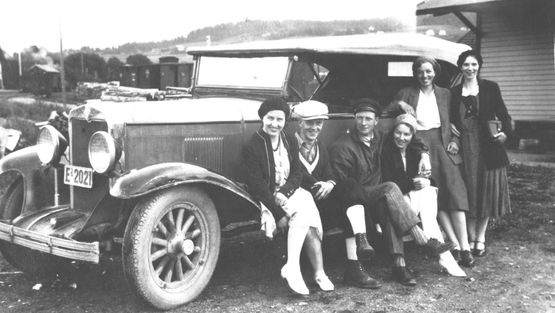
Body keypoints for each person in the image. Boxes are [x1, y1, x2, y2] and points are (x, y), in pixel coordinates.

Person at [329, 98, 454, 286]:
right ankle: (421, 237)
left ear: (376, 121)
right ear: (354, 118)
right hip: (357, 198)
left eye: (368, 119)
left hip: (379, 196)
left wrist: (424, 154)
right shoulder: (343, 146)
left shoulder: (380, 137)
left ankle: (399, 267)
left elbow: (411, 135)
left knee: (389, 206)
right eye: (360, 118)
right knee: (390, 187)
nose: (364, 123)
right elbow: (344, 186)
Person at [386, 56, 475, 267]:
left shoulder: (445, 93)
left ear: (435, 72)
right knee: (435, 194)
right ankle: (452, 244)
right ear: (415, 74)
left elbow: (456, 121)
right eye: (420, 72)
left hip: (443, 144)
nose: (424, 76)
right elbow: (387, 110)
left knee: (455, 192)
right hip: (418, 144)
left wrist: (455, 139)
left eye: (428, 71)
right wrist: (399, 103)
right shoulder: (406, 93)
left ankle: (465, 247)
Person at [240, 96, 333, 296]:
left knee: (306, 206)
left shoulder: (289, 139)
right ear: (262, 118)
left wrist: (285, 192)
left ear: (285, 121)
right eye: (270, 118)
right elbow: (257, 185)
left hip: (287, 191)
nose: (274, 124)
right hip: (266, 196)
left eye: (279, 119)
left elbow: (297, 174)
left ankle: (313, 270)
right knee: (303, 214)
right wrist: (277, 212)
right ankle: (300, 269)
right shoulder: (252, 145)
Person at [291, 100, 378, 289]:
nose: (314, 128)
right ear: (300, 123)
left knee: (350, 187)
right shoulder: (290, 146)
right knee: (349, 202)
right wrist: (317, 184)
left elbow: (330, 171)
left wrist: (330, 183)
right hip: (302, 203)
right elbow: (295, 175)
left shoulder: (320, 146)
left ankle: (357, 258)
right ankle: (361, 242)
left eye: (319, 123)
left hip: (322, 200)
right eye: (310, 123)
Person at [381, 114, 466, 277]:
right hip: (397, 204)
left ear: (413, 136)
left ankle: (435, 245)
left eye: (406, 134)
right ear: (393, 132)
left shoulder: (415, 153)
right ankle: (439, 250)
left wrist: (427, 182)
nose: (401, 138)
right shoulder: (387, 152)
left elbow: (428, 180)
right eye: (398, 133)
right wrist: (416, 184)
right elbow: (390, 185)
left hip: (414, 200)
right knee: (425, 194)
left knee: (428, 190)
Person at [450, 50, 512, 257]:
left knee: (485, 192)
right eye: (466, 65)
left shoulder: (490, 88)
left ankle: (480, 238)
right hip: (465, 148)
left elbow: (504, 115)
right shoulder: (454, 92)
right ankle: (468, 236)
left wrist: (505, 134)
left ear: (479, 66)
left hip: (488, 147)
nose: (470, 68)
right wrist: (451, 129)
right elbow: (450, 118)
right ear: (460, 67)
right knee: (468, 191)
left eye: (474, 64)